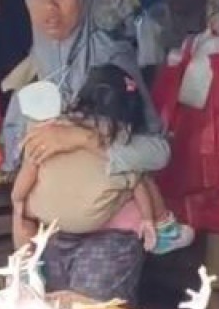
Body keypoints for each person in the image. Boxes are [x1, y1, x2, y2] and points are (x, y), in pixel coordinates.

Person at [0, 0, 187, 301]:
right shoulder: (30, 72)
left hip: (109, 235)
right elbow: (21, 161)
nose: (50, 6)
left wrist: (80, 138)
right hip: (47, 236)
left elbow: (158, 151)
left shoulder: (110, 63)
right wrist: (20, 218)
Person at [11, 64, 158, 252]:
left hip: (45, 213)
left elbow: (28, 172)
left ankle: (27, 259)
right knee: (136, 182)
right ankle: (163, 226)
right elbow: (140, 186)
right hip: (88, 219)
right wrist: (148, 219)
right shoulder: (121, 141)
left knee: (23, 212)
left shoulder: (47, 130)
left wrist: (17, 201)